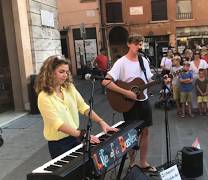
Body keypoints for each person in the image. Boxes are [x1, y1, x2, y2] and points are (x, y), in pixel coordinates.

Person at [35, 55, 118, 159]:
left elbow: (83, 107)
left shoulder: (69, 87)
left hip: (75, 137)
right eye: (61, 72)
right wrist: (83, 135)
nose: (65, 75)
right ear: (50, 73)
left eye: (66, 72)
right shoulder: (44, 97)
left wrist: (102, 122)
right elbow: (58, 124)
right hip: (59, 144)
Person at [102, 34, 163, 173]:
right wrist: (125, 92)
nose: (139, 46)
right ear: (129, 44)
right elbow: (106, 81)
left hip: (144, 100)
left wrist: (160, 79)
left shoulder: (144, 60)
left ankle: (143, 162)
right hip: (129, 103)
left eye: (141, 44)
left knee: (146, 131)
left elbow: (149, 78)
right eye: (136, 44)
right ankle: (132, 163)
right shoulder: (121, 62)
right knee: (131, 134)